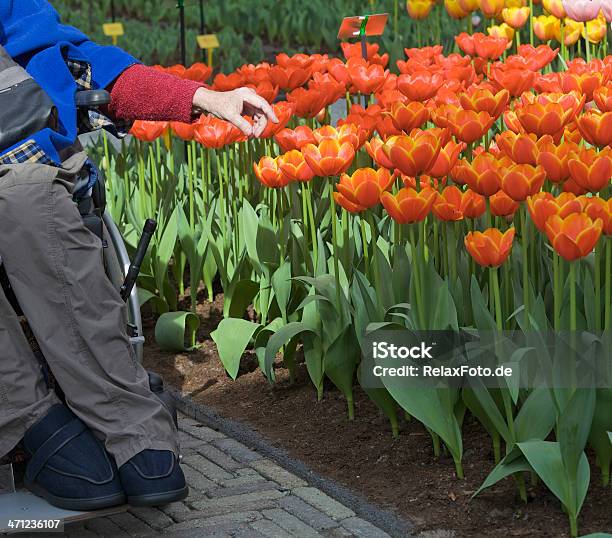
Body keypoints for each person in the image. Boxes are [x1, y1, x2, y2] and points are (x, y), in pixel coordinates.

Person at [0, 0, 277, 511]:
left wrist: (204, 97)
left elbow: (82, 63)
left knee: (31, 204)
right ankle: (30, 423)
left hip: (24, 170)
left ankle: (129, 423)